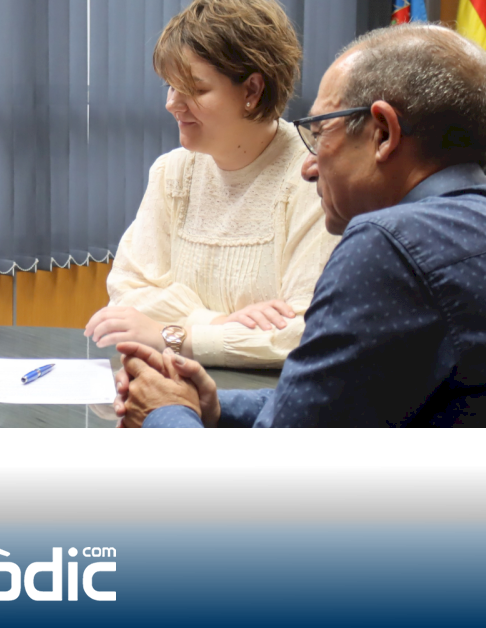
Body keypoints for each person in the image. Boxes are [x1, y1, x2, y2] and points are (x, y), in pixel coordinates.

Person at [116, 23, 486, 428]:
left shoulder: (389, 245)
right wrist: (211, 405)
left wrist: (164, 410)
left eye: (321, 132)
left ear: (383, 133)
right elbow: (332, 401)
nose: (308, 166)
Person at [84, 0, 337, 369]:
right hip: (171, 386)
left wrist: (172, 335)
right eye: (170, 87)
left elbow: (304, 334)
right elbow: (125, 297)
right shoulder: (172, 173)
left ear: (252, 91)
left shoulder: (313, 177)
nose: (172, 104)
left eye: (195, 89)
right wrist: (216, 323)